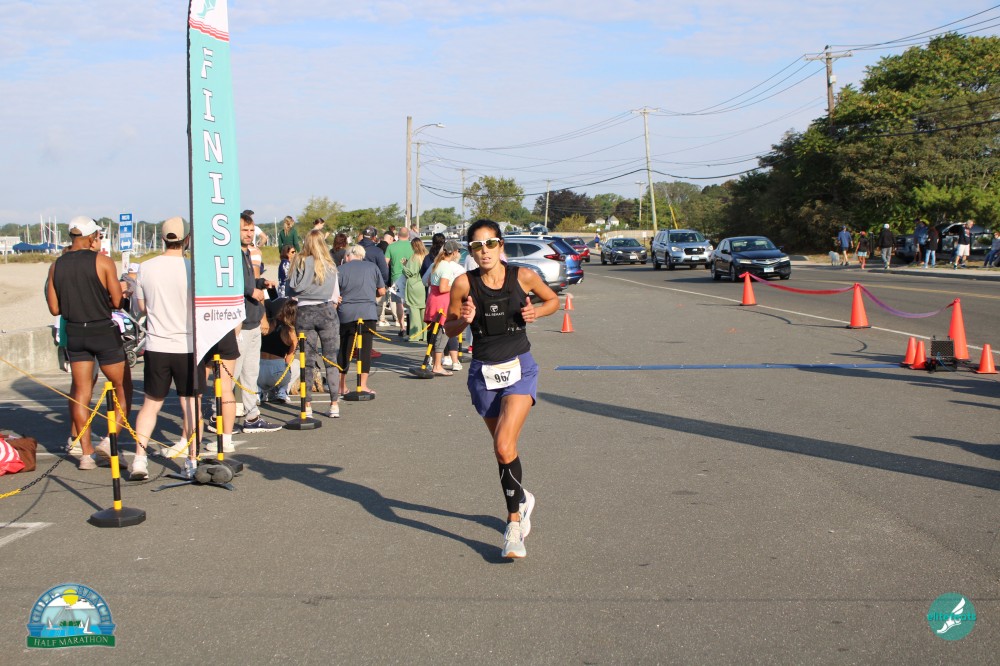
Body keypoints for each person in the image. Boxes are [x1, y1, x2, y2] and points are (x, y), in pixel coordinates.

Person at [443, 219, 559, 559]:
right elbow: (448, 326)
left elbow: (552, 300)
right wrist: (463, 320)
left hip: (519, 368)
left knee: (504, 444)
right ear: (470, 251)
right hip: (483, 373)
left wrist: (536, 312)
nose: (485, 251)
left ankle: (514, 525)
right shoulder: (464, 283)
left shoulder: (523, 276)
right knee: (503, 451)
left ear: (501, 245)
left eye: (490, 243)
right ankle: (522, 497)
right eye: (477, 246)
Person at [45, 216, 132, 470]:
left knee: (81, 393)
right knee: (122, 387)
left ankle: (85, 454)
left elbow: (54, 308)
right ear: (92, 236)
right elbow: (117, 301)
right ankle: (109, 440)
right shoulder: (102, 261)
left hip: (75, 332)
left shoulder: (56, 265)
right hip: (102, 330)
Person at [128, 217, 198, 480]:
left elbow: (142, 308)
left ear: (162, 238)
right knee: (190, 404)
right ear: (187, 239)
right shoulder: (193, 268)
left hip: (157, 344)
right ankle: (192, 460)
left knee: (151, 404)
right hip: (187, 344)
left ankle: (139, 458)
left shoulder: (146, 267)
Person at [287, 230, 342, 418]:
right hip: (326, 309)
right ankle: (334, 404)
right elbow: (335, 293)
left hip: (305, 311)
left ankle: (307, 405)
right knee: (331, 359)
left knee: (307, 361)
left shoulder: (300, 261)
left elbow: (291, 288)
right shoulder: (329, 263)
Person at [235, 212, 281, 433]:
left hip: (252, 319)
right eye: (244, 230)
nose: (249, 234)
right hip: (239, 323)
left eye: (252, 230)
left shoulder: (248, 253)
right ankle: (218, 415)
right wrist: (251, 290)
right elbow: (231, 282)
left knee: (251, 373)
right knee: (232, 373)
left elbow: (248, 280)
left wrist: (261, 283)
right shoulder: (232, 255)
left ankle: (252, 416)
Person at [337, 244, 385, 397]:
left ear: (348, 256)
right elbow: (382, 291)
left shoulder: (340, 270)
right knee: (365, 349)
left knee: (345, 348)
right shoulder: (372, 267)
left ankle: (341, 385)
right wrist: (371, 296)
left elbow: (334, 292)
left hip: (347, 312)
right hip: (367, 311)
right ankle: (363, 385)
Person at [426, 240, 464, 375]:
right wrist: (456, 287)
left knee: (435, 334)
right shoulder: (447, 267)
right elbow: (443, 288)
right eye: (458, 251)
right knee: (443, 335)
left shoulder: (436, 264)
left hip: (433, 300)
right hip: (442, 302)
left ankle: (434, 364)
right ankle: (437, 365)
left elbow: (429, 281)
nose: (458, 253)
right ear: (453, 252)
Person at [258, 297, 298, 405]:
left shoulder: (268, 324)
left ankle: (260, 391)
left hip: (259, 371)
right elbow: (289, 360)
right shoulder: (291, 332)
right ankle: (282, 391)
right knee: (296, 363)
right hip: (276, 373)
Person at [384, 226, 414, 338]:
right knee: (412, 303)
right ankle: (412, 326)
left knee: (399, 304)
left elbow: (385, 263)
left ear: (398, 235)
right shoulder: (413, 246)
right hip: (411, 277)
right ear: (408, 235)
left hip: (396, 278)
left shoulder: (391, 247)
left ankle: (402, 327)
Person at [403, 238, 428, 342]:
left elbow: (410, 272)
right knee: (424, 311)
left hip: (414, 286)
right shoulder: (426, 256)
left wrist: (404, 266)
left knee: (414, 311)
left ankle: (415, 335)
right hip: (424, 285)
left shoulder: (413, 258)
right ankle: (425, 335)